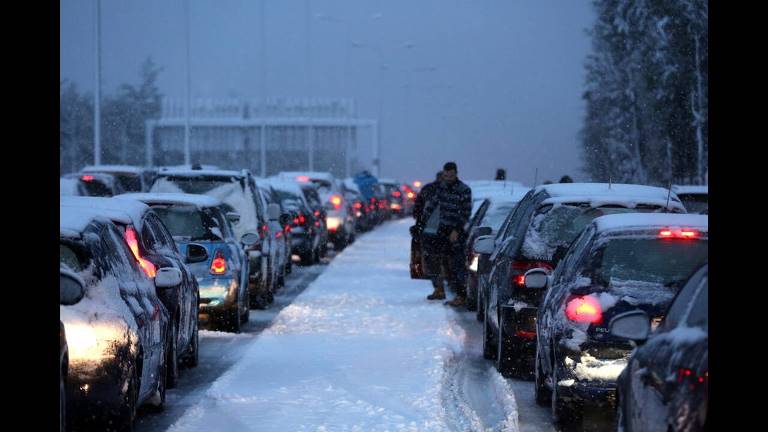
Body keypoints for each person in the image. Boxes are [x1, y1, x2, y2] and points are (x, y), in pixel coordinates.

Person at [420, 162, 472, 305]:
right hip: (440, 230)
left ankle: (461, 295)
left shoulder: (463, 190)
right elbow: (431, 206)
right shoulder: (441, 188)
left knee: (456, 265)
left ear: (456, 173)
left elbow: (466, 212)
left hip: (456, 231)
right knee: (436, 261)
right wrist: (422, 223)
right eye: (446, 175)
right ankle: (439, 289)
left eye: (451, 175)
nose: (448, 177)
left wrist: (457, 229)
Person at [410, 171, 443, 280]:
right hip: (439, 229)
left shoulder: (428, 189)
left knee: (426, 254)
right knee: (439, 257)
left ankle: (421, 271)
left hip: (427, 229)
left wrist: (420, 221)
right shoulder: (448, 192)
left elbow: (417, 209)